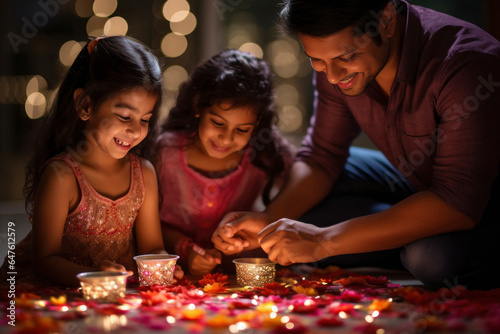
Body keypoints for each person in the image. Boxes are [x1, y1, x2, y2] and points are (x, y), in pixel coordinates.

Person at [212, 0, 500, 290]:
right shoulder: (334, 63)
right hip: (417, 181)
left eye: (347, 57)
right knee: (296, 201)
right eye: (317, 61)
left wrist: (321, 242)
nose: (334, 77)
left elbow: (456, 201)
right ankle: (397, 231)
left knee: (431, 259)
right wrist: (271, 221)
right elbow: (323, 156)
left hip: (480, 207)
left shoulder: (462, 65)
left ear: (385, 20)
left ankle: (401, 238)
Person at [0, 36, 183, 287]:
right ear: (85, 105)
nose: (135, 130)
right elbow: (45, 260)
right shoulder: (62, 176)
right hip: (56, 293)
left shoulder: (144, 173)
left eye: (145, 119)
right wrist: (93, 277)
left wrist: (163, 265)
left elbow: (152, 246)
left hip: (113, 295)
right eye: (124, 116)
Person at [154, 49, 295, 276]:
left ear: (257, 123)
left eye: (242, 129)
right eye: (218, 123)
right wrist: (187, 251)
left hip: (240, 274)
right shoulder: (166, 153)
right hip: (177, 270)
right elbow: (147, 222)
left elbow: (302, 177)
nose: (227, 138)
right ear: (199, 105)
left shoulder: (262, 153)